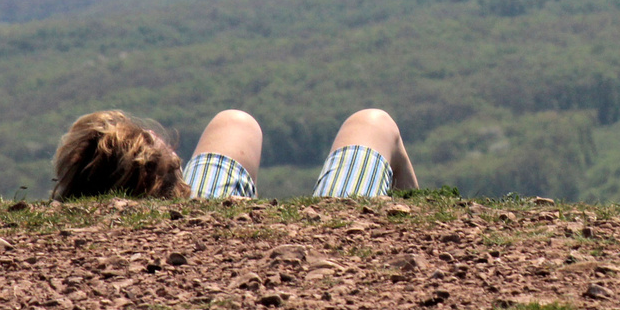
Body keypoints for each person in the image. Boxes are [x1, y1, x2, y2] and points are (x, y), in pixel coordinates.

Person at [51, 107, 419, 201]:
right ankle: (407, 225)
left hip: (182, 211)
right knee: (373, 122)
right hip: (332, 243)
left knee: (235, 123)